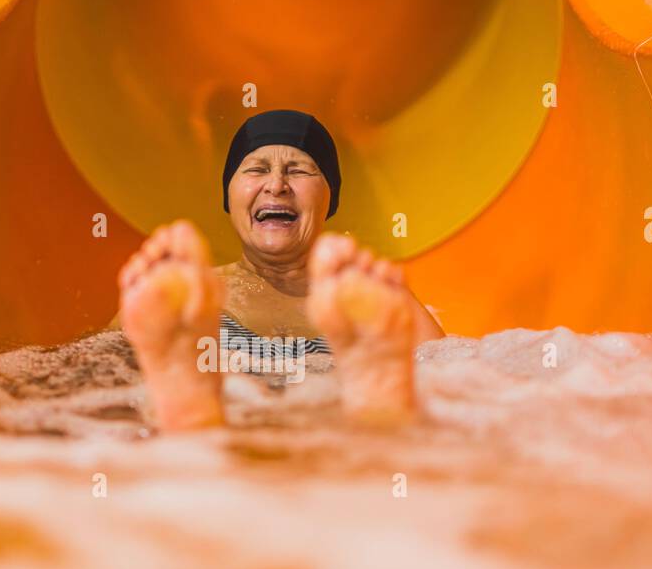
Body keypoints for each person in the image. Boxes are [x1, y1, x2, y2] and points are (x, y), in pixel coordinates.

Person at [116, 109, 444, 430]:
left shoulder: (367, 304)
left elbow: (458, 378)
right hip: (322, 458)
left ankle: (379, 410)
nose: (276, 185)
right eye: (256, 169)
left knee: (425, 398)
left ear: (330, 196)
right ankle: (189, 407)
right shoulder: (183, 299)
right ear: (229, 194)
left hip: (310, 450)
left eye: (299, 171)